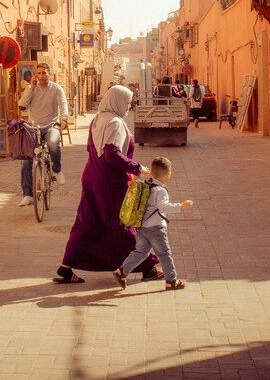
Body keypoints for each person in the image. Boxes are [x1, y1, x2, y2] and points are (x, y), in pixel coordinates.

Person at [54, 85, 163, 284]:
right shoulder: (115, 123)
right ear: (117, 101)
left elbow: (91, 148)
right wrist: (137, 168)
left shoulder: (98, 119)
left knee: (87, 222)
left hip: (92, 177)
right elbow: (112, 154)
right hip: (110, 182)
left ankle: (66, 267)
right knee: (125, 223)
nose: (129, 106)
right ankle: (148, 267)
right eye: (127, 102)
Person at [113, 156, 193, 290]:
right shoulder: (160, 190)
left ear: (151, 171)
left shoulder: (146, 184)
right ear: (169, 174)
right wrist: (181, 206)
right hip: (156, 228)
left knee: (141, 252)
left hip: (142, 227)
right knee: (165, 254)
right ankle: (171, 281)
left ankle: (121, 271)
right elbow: (164, 207)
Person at [17, 63, 68, 206]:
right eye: (38, 73)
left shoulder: (56, 89)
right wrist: (31, 88)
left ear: (49, 74)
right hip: (34, 128)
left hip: (51, 125)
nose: (41, 76)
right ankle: (28, 194)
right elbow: (21, 105)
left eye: (44, 73)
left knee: (52, 143)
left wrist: (64, 119)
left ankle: (57, 170)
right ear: (35, 75)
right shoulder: (31, 88)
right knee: (27, 160)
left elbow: (63, 104)